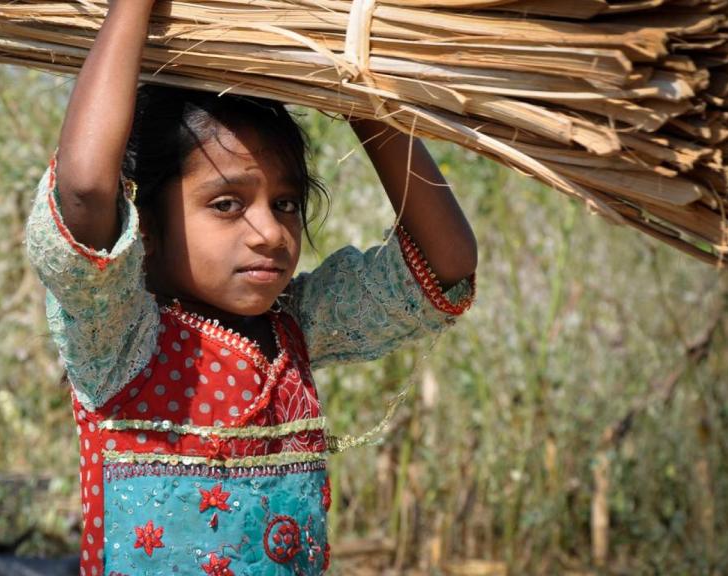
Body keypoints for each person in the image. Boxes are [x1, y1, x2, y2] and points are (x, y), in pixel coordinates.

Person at [25, 2, 477, 574]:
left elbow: (447, 265)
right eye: (226, 204)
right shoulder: (118, 341)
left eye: (285, 204)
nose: (270, 233)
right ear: (147, 221)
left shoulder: (300, 324)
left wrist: (358, 91)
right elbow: (87, 190)